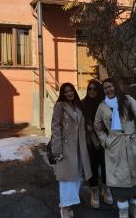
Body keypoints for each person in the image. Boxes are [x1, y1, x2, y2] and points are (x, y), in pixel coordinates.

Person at [94, 78, 136, 218]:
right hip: (115, 147)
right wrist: (106, 141)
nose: (108, 90)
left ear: (115, 86)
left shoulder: (128, 100)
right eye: (105, 88)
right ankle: (123, 212)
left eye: (110, 86)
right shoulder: (102, 106)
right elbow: (97, 127)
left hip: (133, 143)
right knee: (119, 182)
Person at [51, 82, 92, 218]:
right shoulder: (59, 106)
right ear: (63, 93)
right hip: (66, 147)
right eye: (66, 91)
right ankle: (65, 207)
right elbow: (55, 127)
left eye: (71, 91)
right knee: (66, 178)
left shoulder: (78, 106)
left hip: (79, 148)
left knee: (76, 176)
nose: (69, 93)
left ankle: (69, 202)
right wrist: (57, 149)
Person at [82, 79, 113, 208]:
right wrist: (86, 127)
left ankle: (106, 189)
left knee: (107, 166)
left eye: (95, 89)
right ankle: (94, 191)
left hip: (105, 140)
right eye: (90, 89)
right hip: (90, 141)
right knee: (92, 166)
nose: (92, 91)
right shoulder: (82, 104)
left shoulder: (106, 103)